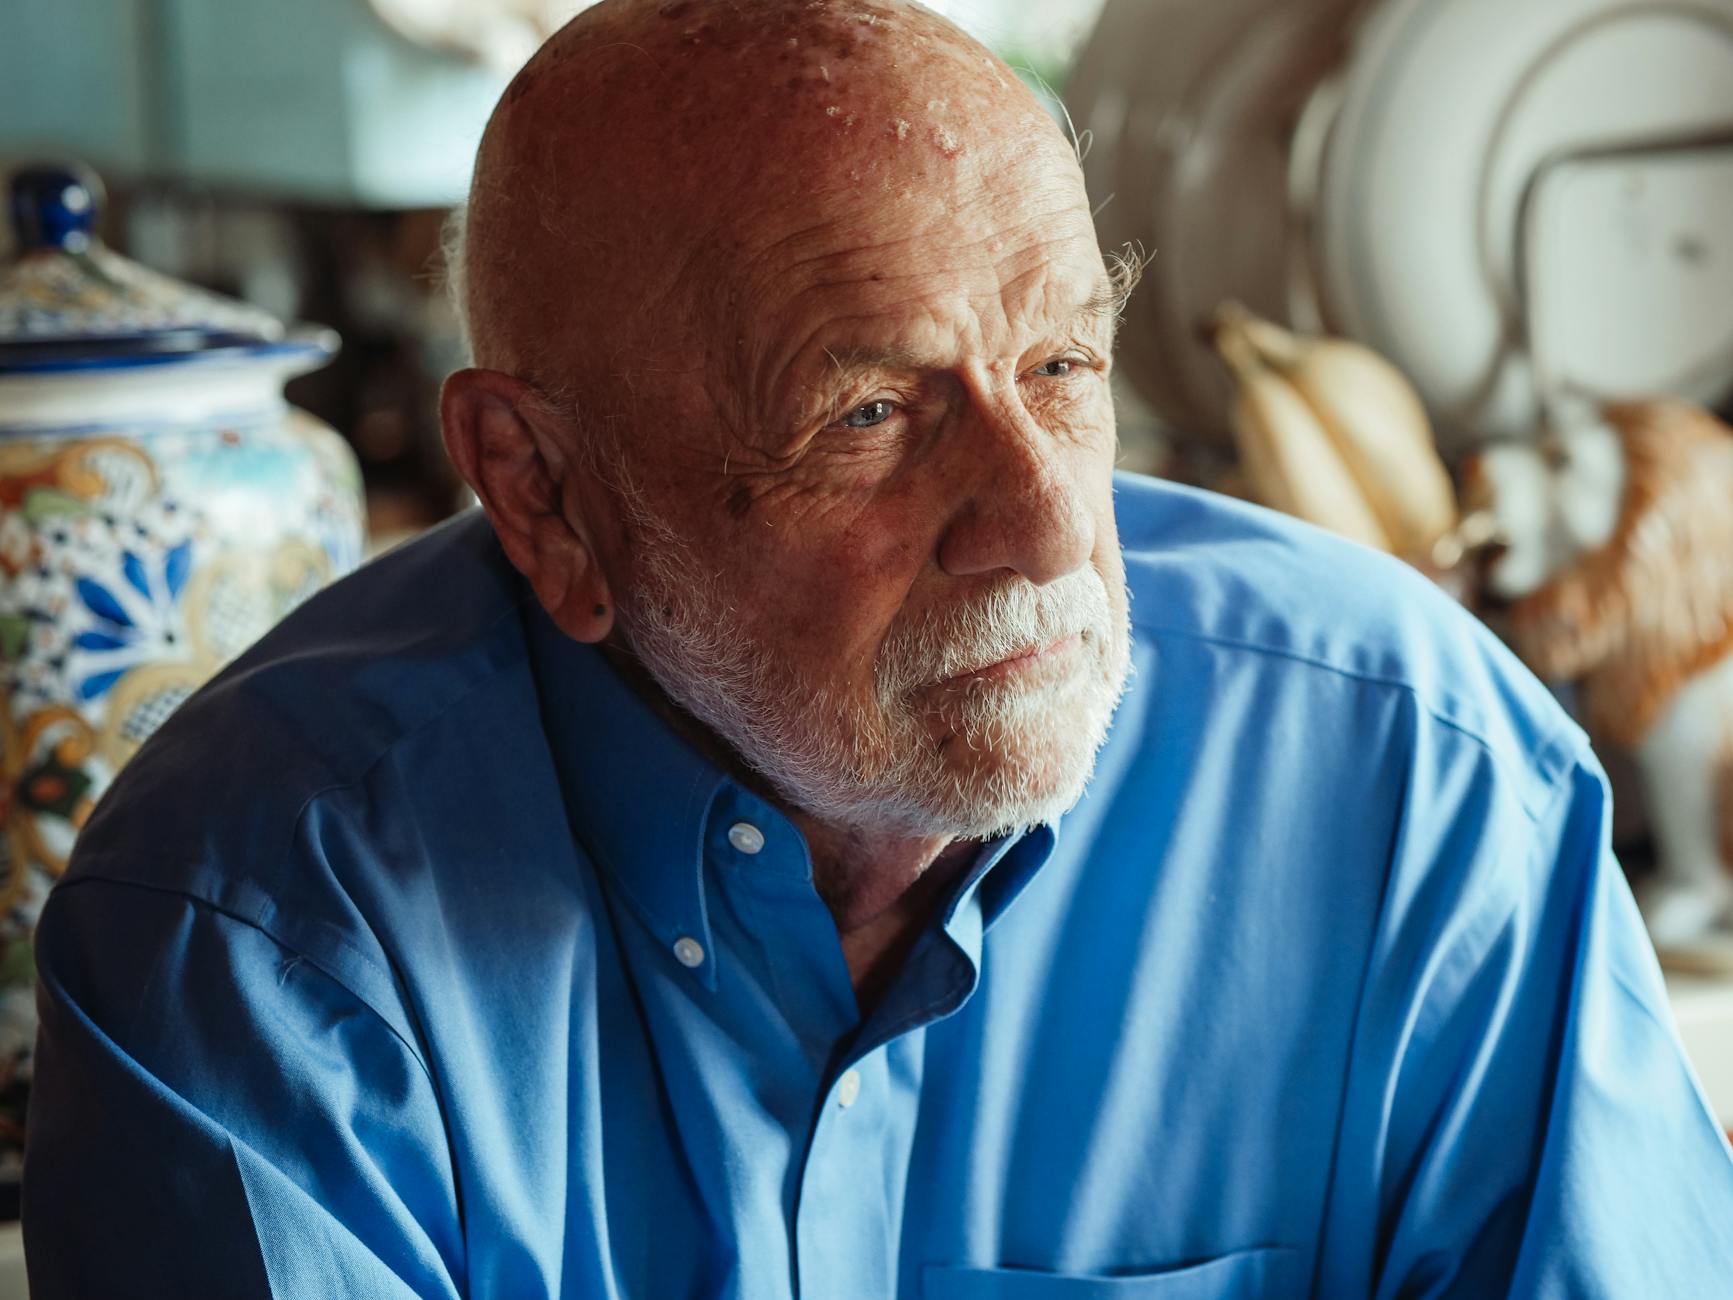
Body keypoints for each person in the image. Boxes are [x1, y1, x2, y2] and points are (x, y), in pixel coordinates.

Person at [22, 0, 1733, 1295]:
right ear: (539, 492)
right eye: (866, 415)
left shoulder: (1424, 783)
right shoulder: (256, 934)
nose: (1048, 527)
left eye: (1063, 368)